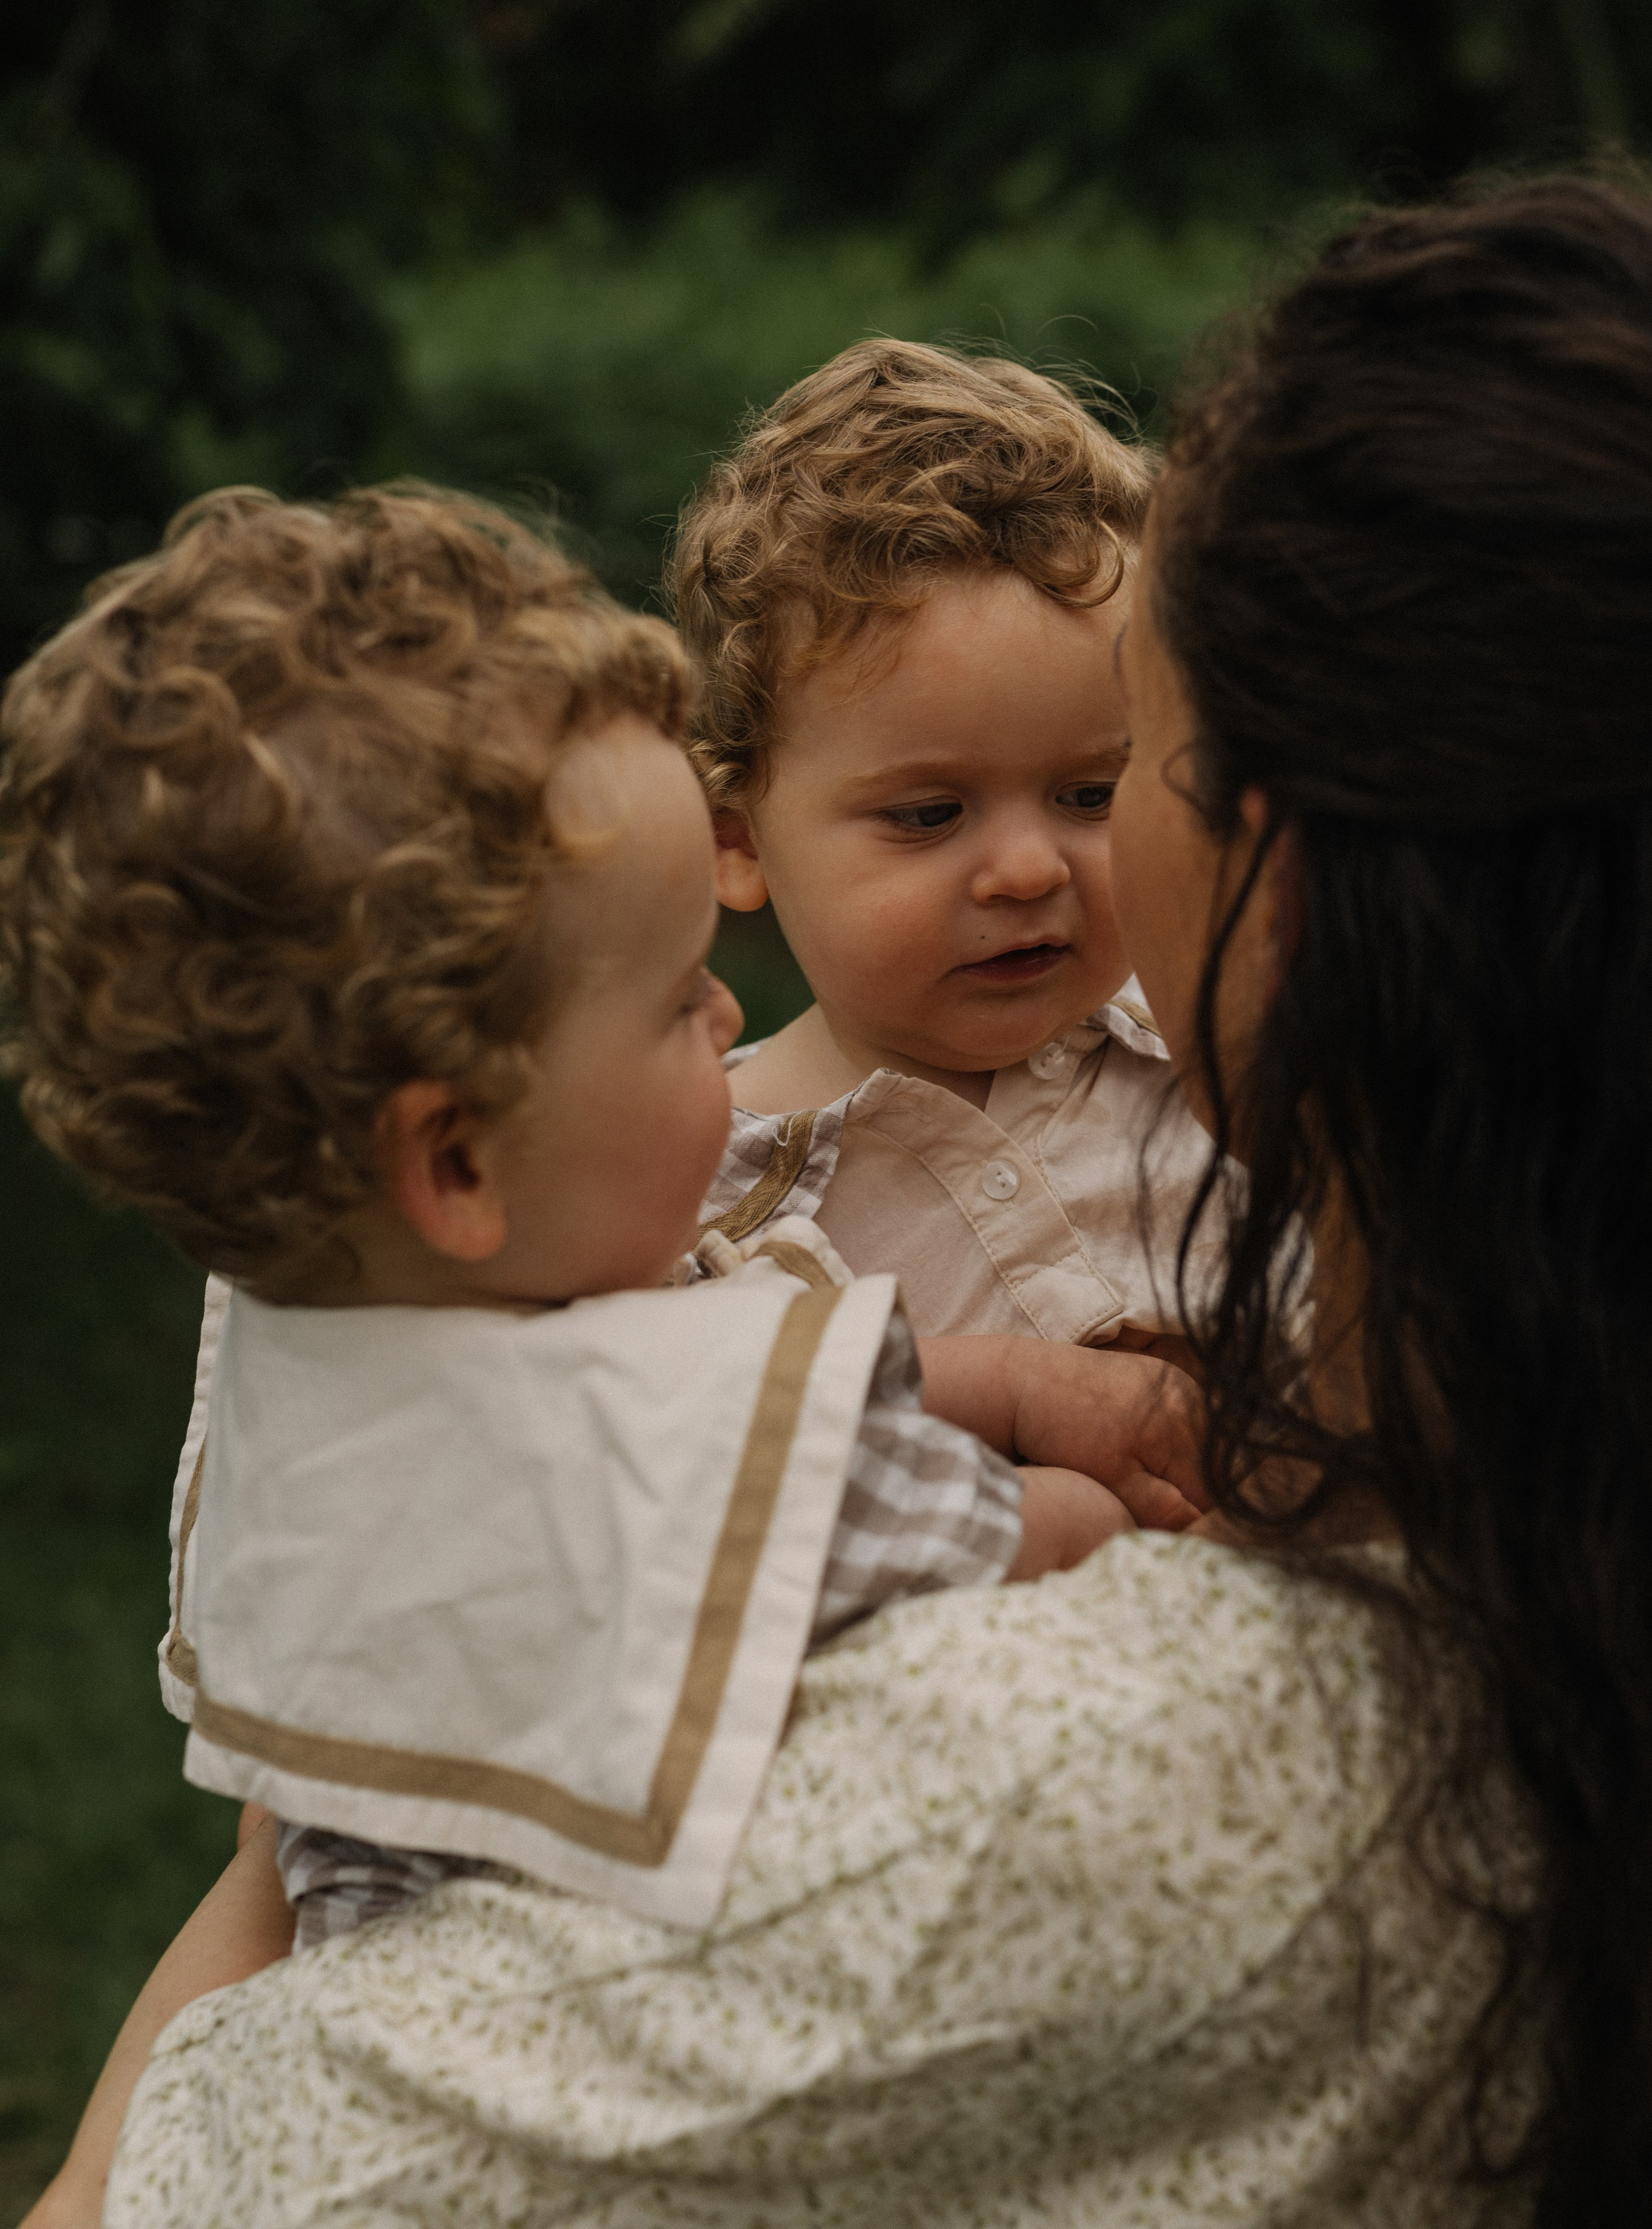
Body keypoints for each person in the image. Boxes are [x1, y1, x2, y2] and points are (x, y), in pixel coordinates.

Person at [92, 174, 1652, 2224]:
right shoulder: (1548, 1548)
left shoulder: (1098, 1814)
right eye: (929, 808)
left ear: (1280, 879)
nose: (1034, 868)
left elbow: (225, 2174)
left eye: (1119, 766)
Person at [2, 483, 1202, 2229]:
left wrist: (81, 2191)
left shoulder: (317, 1366)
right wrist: (1110, 1486)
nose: (726, 1017)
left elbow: (278, 1853)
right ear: (458, 1166)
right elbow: (1033, 1545)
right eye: (670, 1003)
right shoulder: (735, 1484)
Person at [673, 339, 1218, 1358]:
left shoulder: (1227, 1066)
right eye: (929, 815)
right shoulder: (690, 1205)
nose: (1029, 871)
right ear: (736, 840)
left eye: (1091, 795)